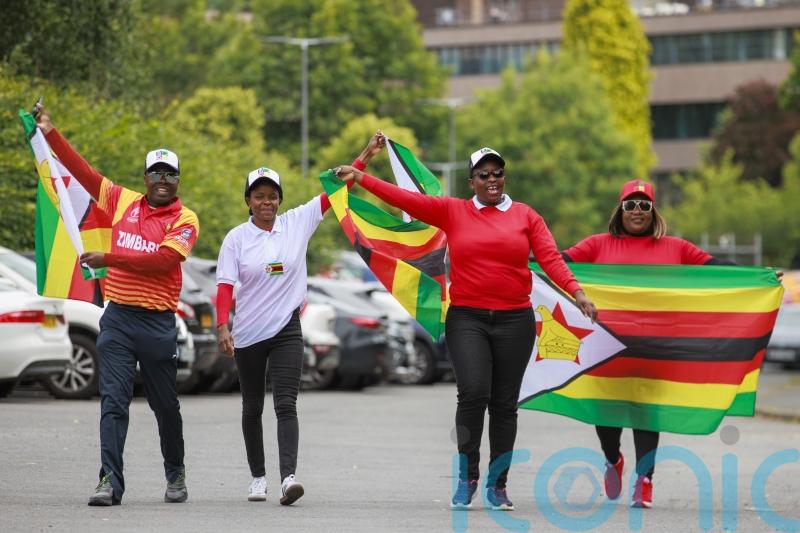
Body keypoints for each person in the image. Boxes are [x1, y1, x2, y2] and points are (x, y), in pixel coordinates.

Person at [335, 139, 597, 511]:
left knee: (505, 405)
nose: (492, 179)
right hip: (468, 318)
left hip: (515, 320)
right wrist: (362, 177)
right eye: (483, 174)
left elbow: (551, 259)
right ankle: (467, 475)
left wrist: (577, 293)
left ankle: (498, 484)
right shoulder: (453, 212)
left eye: (498, 173)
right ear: (472, 181)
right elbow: (406, 200)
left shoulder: (526, 216)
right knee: (473, 393)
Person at [35, 104, 199, 506]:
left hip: (159, 324)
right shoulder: (122, 200)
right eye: (156, 173)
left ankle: (175, 471)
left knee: (165, 406)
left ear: (178, 180)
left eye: (170, 174)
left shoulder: (186, 218)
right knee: (113, 402)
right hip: (119, 319)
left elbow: (164, 261)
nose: (163, 180)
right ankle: (109, 481)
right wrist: (51, 133)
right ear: (145, 178)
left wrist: (110, 259)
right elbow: (84, 173)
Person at [214, 138, 383, 505]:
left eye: (272, 195)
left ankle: (288, 478)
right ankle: (257, 477)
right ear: (248, 201)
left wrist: (365, 156)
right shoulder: (236, 239)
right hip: (248, 333)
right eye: (258, 195)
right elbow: (225, 286)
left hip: (287, 328)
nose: (266, 202)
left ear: (280, 199)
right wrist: (222, 326)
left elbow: (335, 191)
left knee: (286, 403)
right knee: (251, 407)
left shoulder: (296, 223)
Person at [561, 178, 732, 509]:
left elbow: (717, 270)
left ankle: (645, 479)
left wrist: (760, 277)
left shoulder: (676, 248)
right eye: (630, 204)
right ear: (620, 210)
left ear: (653, 211)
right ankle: (612, 460)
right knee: (606, 417)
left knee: (646, 415)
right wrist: (516, 262)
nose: (636, 211)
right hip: (606, 349)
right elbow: (555, 263)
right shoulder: (597, 245)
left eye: (644, 205)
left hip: (655, 348)